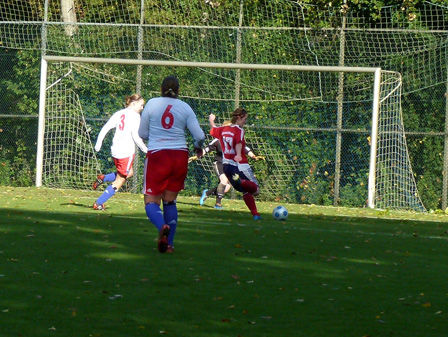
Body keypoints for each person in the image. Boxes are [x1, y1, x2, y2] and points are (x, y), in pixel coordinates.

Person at [138, 75, 205, 254]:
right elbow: (199, 136)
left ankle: (162, 226)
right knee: (170, 201)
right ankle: (169, 245)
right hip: (179, 156)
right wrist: (198, 148)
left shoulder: (152, 103)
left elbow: (142, 133)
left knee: (151, 201)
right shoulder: (185, 107)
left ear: (161, 89)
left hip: (158, 155)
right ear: (178, 90)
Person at [92, 94, 148, 210]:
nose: (142, 108)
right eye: (141, 105)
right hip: (126, 152)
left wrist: (98, 144)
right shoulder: (135, 116)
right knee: (120, 180)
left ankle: (104, 178)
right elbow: (136, 136)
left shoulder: (119, 113)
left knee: (130, 172)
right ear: (133, 103)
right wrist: (146, 150)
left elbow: (105, 128)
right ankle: (98, 203)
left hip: (115, 150)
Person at [209, 108, 262, 220]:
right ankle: (242, 181)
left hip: (227, 166)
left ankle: (255, 215)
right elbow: (238, 143)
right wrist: (238, 154)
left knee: (244, 191)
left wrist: (211, 120)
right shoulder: (239, 130)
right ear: (239, 117)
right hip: (240, 164)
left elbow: (213, 130)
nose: (245, 122)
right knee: (256, 190)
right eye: (245, 119)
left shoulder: (223, 129)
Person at [189, 137, 264, 210]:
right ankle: (218, 204)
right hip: (219, 163)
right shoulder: (218, 140)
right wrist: (197, 156)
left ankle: (207, 193)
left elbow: (246, 150)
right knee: (224, 180)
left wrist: (254, 157)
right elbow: (206, 149)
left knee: (226, 189)